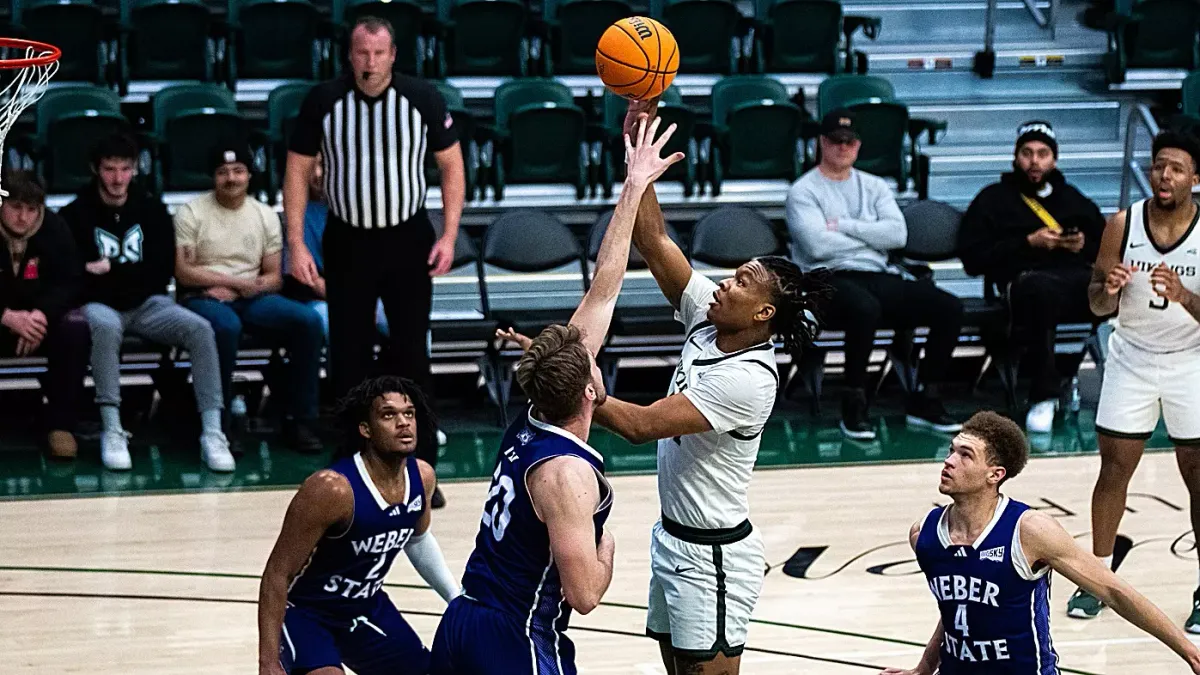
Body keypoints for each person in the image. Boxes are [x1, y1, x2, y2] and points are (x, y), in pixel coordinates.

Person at [429, 115, 683, 674]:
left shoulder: (531, 417)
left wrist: (635, 183)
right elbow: (585, 595)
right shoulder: (567, 475)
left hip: (462, 622)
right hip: (514, 638)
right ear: (592, 389)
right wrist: (609, 542)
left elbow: (604, 286)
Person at [591, 100, 832, 675]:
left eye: (742, 281)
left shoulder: (748, 379)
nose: (724, 282)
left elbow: (639, 425)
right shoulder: (708, 315)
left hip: (714, 555)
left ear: (763, 312)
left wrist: (571, 386)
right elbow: (653, 240)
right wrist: (641, 170)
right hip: (672, 536)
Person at [879, 411, 1200, 675]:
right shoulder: (925, 535)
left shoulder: (1029, 531)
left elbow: (1114, 592)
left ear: (995, 475)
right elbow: (956, 610)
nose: (949, 461)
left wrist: (1189, 651)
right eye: (951, 451)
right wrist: (924, 668)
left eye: (966, 456)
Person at [284, 16, 465, 438]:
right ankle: (351, 458)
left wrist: (450, 235)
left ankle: (422, 464)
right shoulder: (324, 100)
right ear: (349, 55)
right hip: (348, 239)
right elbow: (296, 173)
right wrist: (296, 242)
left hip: (407, 238)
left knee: (411, 354)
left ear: (393, 55)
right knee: (349, 356)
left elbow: (452, 167)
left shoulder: (421, 97)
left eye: (378, 53)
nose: (370, 62)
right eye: (362, 53)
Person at [1066, 130, 1200, 630]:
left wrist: (1185, 296)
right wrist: (1112, 291)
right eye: (1159, 165)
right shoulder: (1122, 223)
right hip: (1132, 358)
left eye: (1176, 168)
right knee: (1114, 469)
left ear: (1196, 178)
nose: (1164, 176)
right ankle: (1097, 578)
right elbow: (1096, 301)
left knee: (1199, 479)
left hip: (1191, 360)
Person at [257, 375, 460, 675]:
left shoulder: (423, 477)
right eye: (388, 415)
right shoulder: (331, 490)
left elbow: (417, 539)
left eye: (409, 413)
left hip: (366, 607)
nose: (403, 423)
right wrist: (268, 660)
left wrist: (455, 601)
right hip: (308, 614)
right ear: (365, 429)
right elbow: (277, 573)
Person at [59, 133, 233, 472]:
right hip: (100, 306)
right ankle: (112, 428)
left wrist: (109, 271)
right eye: (110, 169)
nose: (118, 178)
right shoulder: (74, 214)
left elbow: (160, 272)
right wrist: (121, 275)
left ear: (135, 170)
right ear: (96, 169)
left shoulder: (152, 209)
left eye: (125, 169)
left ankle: (213, 431)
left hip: (147, 304)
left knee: (200, 328)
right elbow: (75, 277)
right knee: (105, 326)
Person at [787, 108, 964, 440]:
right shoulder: (803, 190)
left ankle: (926, 397)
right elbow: (815, 246)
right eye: (836, 141)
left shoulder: (875, 185)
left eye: (849, 142)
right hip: (824, 278)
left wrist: (843, 227)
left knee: (949, 307)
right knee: (863, 308)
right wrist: (869, 238)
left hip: (876, 273)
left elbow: (898, 236)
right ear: (822, 143)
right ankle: (854, 400)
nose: (843, 148)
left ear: (858, 145)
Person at [175, 144, 325, 452]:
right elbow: (184, 272)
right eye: (223, 172)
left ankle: (301, 419)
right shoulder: (190, 212)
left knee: (307, 321)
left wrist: (246, 287)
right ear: (213, 177)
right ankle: (223, 420)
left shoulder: (265, 214)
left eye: (238, 171)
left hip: (252, 295)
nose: (231, 178)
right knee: (225, 326)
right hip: (204, 296)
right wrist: (228, 283)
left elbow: (273, 276)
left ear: (249, 175)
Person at [959, 121, 1106, 434]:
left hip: (1074, 280)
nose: (1035, 161)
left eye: (1042, 153)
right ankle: (1044, 394)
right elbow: (972, 258)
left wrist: (1083, 246)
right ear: (1015, 157)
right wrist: (1028, 243)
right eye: (1027, 153)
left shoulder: (1073, 198)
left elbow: (1106, 245)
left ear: (1054, 159)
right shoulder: (993, 198)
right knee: (1039, 291)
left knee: (1119, 284)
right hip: (1023, 283)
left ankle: (1118, 383)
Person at [0, 171, 90, 459]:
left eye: (31, 209)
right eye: (15, 208)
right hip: (2, 320)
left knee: (75, 329)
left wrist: (40, 315)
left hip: (38, 323)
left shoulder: (54, 227)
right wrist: (6, 316)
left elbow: (71, 279)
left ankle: (61, 426)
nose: (23, 217)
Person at [281, 152, 390, 344]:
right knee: (340, 325)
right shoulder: (296, 214)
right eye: (310, 167)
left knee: (408, 319)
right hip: (317, 299)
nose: (317, 174)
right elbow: (310, 279)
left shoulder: (360, 209)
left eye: (323, 165)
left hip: (364, 295)